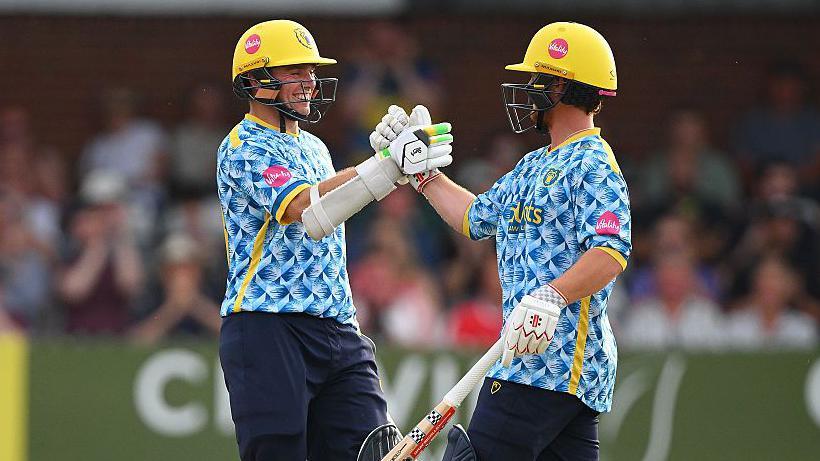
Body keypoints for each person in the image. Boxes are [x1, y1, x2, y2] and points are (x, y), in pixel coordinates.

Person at [375, 22, 630, 460]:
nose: (527, 90)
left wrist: (552, 295)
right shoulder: (535, 162)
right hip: (537, 364)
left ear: (562, 87)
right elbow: (475, 218)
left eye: (537, 81)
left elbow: (610, 252)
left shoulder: (593, 162)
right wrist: (421, 174)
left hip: (551, 365)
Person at [216, 20, 454, 461]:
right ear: (253, 80)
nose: (309, 81)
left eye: (310, 70)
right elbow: (301, 209)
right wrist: (382, 165)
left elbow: (335, 206)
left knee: (377, 451)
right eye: (294, 71)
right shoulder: (242, 145)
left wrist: (395, 168)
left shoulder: (316, 148)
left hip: (338, 326)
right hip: (268, 324)